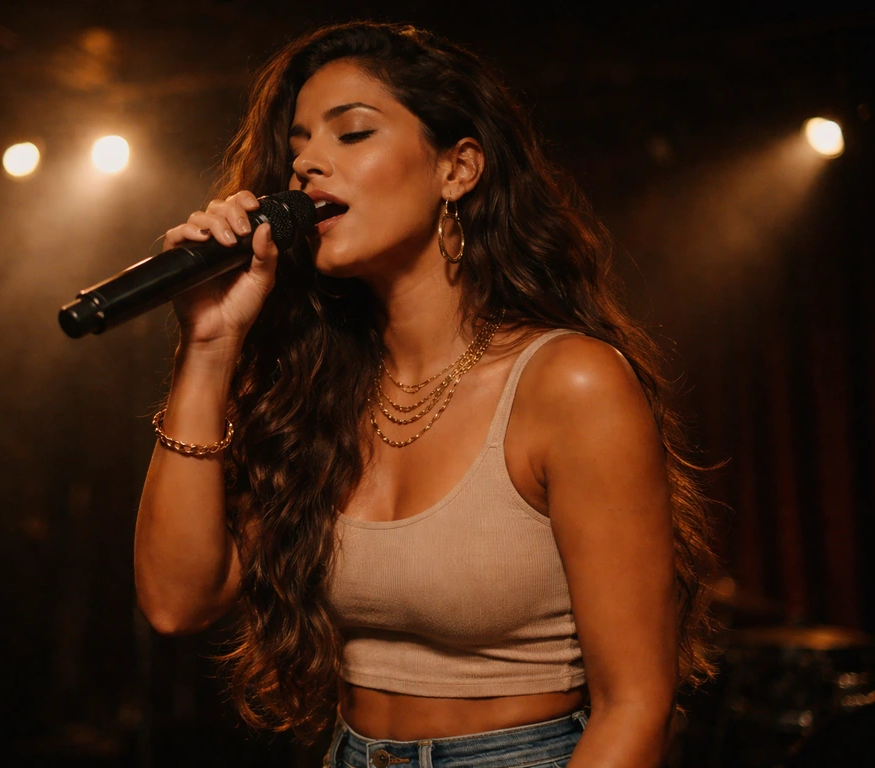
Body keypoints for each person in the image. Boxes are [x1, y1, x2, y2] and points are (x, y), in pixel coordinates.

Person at [134, 21, 715, 768]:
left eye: (352, 134)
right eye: (300, 144)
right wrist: (209, 347)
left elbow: (636, 707)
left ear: (458, 168)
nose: (307, 163)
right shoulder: (316, 390)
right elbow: (176, 601)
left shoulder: (569, 382)